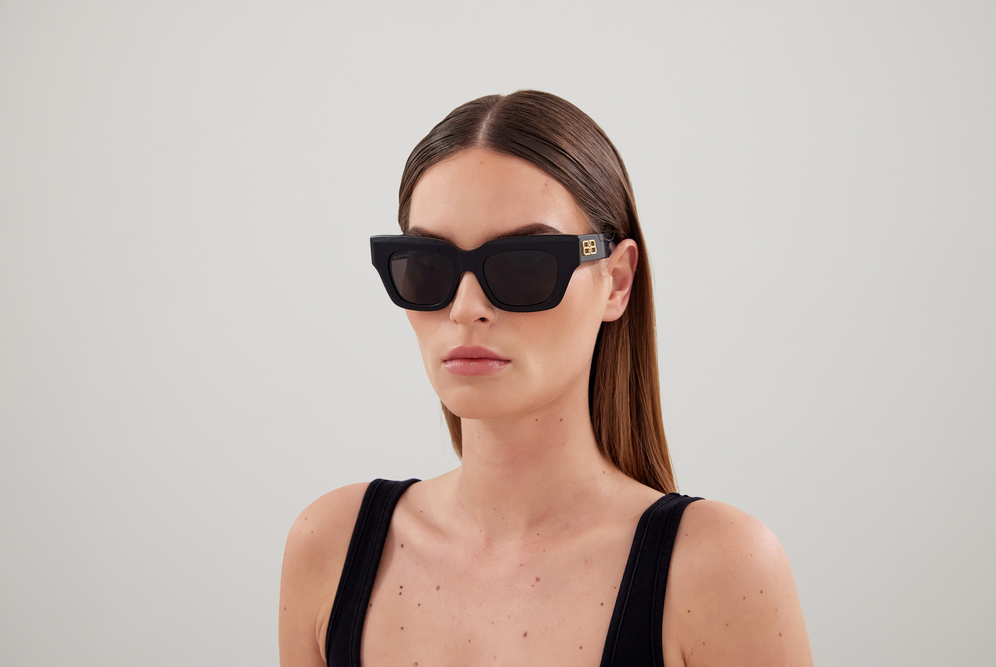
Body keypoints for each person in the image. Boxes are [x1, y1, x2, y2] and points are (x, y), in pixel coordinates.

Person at [279, 90, 813, 667]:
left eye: (524, 266)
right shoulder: (330, 547)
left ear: (616, 281)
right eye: (428, 266)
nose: (466, 309)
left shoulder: (718, 569)